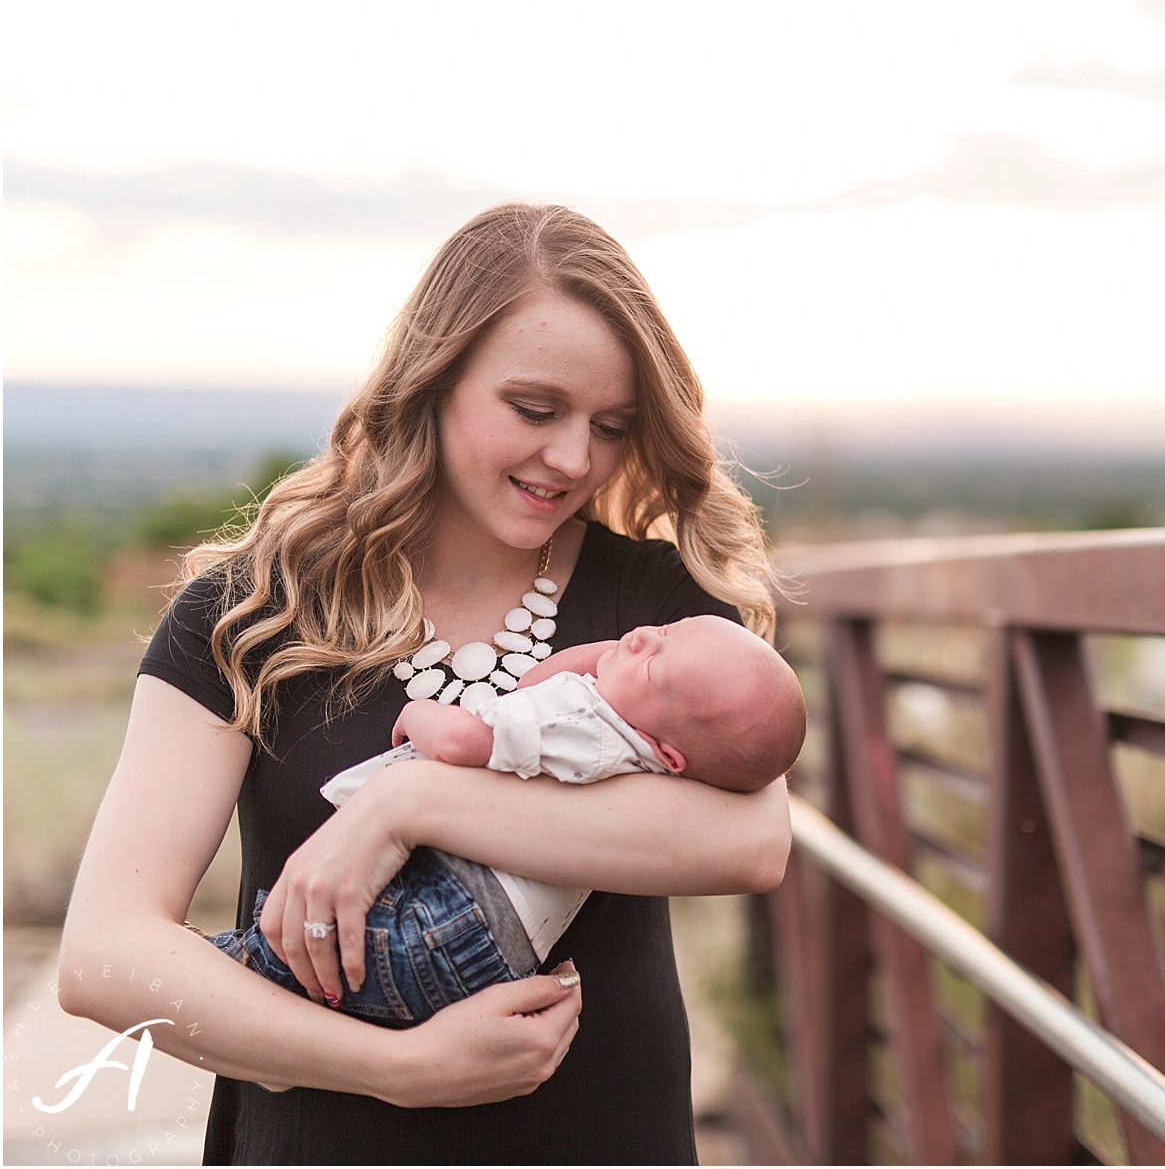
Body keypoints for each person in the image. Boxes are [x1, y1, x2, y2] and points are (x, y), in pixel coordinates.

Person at [57, 203, 794, 1165]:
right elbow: (103, 956)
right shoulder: (247, 614)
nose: (573, 459)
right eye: (534, 410)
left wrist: (407, 803)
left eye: (611, 426)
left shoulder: (659, 613)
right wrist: (396, 1066)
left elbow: (748, 842)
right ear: (433, 382)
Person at [208, 616, 806, 1026]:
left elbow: (469, 738)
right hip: (500, 948)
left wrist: (418, 716)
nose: (643, 638)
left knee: (352, 945)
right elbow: (533, 687)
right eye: (663, 633)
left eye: (654, 665)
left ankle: (253, 973)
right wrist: (625, 663)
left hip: (457, 918)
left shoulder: (583, 717)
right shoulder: (648, 750)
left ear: (670, 751)